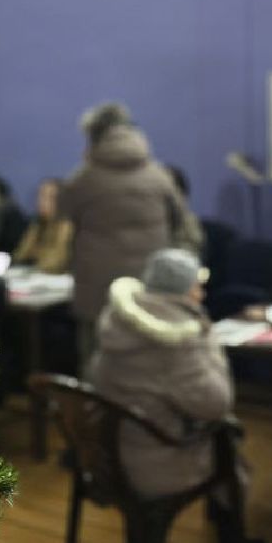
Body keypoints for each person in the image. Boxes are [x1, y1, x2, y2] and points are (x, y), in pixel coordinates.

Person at [89, 249, 268, 543]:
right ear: (185, 290)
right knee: (227, 442)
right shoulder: (179, 340)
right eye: (199, 284)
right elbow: (216, 404)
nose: (203, 292)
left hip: (107, 453)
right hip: (156, 462)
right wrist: (210, 344)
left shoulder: (118, 319)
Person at [62, 102, 197, 364]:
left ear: (92, 139)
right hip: (150, 287)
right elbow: (182, 222)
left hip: (97, 291)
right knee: (147, 360)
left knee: (97, 361)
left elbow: (62, 212)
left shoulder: (84, 179)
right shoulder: (158, 176)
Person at [12, 178, 74, 274]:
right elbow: (20, 257)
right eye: (41, 196)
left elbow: (56, 264)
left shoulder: (70, 228)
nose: (42, 202)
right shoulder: (36, 225)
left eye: (51, 198)